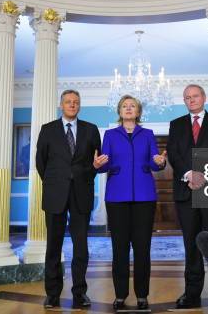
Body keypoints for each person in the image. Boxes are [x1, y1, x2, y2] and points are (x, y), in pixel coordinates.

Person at [93, 95, 166, 311]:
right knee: (120, 249)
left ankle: (142, 295)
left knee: (143, 249)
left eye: (132, 106)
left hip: (144, 197)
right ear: (119, 110)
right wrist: (98, 165)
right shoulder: (110, 135)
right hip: (117, 197)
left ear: (138, 111)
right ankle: (120, 295)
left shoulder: (148, 134)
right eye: (124, 106)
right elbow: (104, 165)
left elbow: (155, 162)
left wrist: (161, 162)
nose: (128, 108)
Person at [166, 84, 208, 310]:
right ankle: (191, 295)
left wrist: (201, 175)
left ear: (203, 97)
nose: (191, 100)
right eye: (187, 98)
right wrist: (189, 174)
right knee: (191, 245)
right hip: (186, 192)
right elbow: (173, 154)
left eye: (195, 96)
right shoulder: (176, 125)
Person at [35, 89, 101, 309]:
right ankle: (52, 294)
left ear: (79, 105)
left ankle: (79, 293)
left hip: (81, 193)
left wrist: (84, 174)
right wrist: (57, 181)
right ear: (61, 105)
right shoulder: (48, 130)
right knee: (53, 246)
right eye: (68, 102)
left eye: (76, 102)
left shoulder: (91, 130)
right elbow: (40, 162)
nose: (72, 105)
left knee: (81, 247)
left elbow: (96, 163)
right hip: (55, 194)